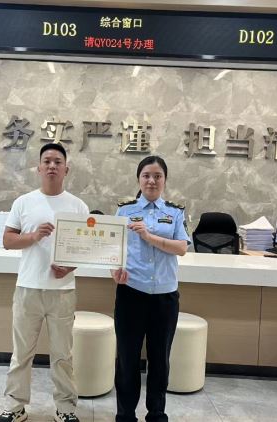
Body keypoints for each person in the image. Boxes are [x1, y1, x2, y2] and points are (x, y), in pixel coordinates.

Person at [0, 143, 89, 422]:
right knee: (21, 353)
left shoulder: (78, 206)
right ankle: (15, 407)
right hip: (28, 288)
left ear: (66, 169)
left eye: (57, 161)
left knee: (63, 355)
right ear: (38, 168)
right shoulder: (23, 202)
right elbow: (8, 240)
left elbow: (85, 249)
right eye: (47, 161)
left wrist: (69, 267)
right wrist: (34, 236)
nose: (52, 166)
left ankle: (65, 409)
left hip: (63, 291)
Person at [111, 156, 190, 422]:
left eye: (157, 176)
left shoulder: (175, 212)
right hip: (131, 293)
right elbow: (113, 249)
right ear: (138, 179)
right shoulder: (124, 211)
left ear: (165, 180)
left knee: (160, 360)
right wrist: (114, 271)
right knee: (127, 359)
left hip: (165, 297)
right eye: (146, 175)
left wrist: (149, 236)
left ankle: (156, 414)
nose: (152, 181)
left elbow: (181, 247)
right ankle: (125, 415)